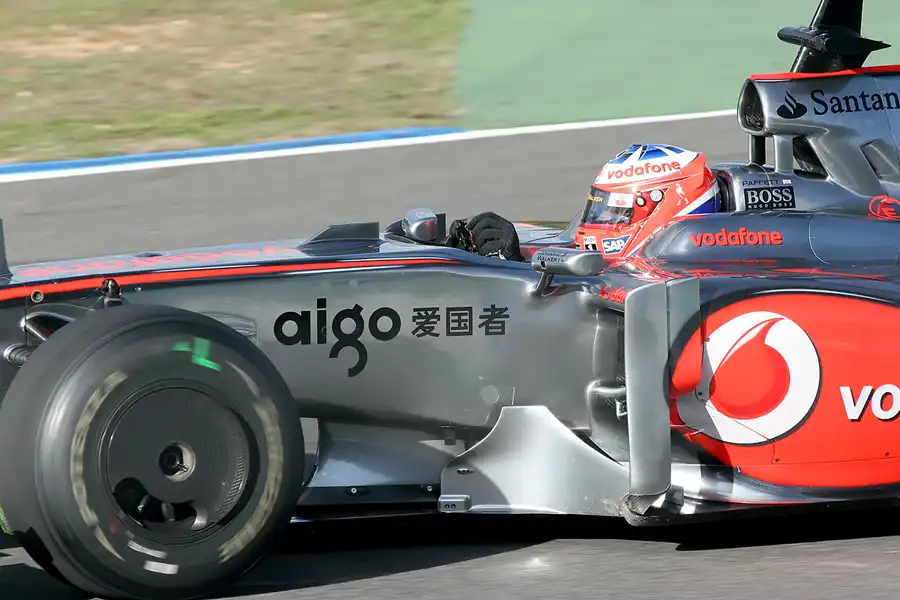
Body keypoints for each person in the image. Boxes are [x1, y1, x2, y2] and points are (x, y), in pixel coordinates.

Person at [446, 144, 723, 261]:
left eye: (617, 210)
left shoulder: (672, 283)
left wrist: (509, 267)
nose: (602, 220)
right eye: (599, 207)